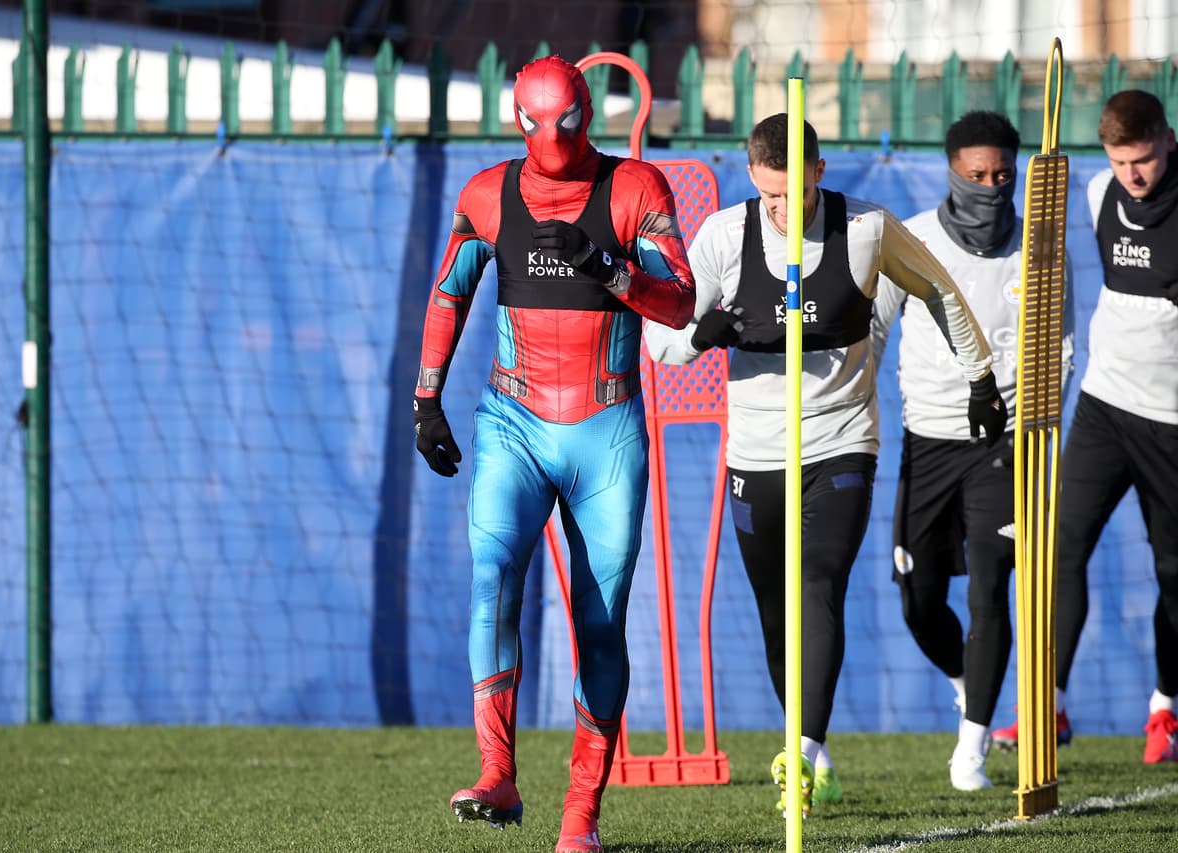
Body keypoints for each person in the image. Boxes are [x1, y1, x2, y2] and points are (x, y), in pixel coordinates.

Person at [644, 113, 1004, 814]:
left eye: (796, 192)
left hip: (842, 439)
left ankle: (802, 754)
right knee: (777, 615)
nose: (783, 208)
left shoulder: (866, 229)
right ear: (753, 179)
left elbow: (939, 290)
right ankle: (816, 748)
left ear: (819, 172)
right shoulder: (723, 236)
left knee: (820, 582)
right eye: (770, 195)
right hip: (755, 452)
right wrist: (700, 334)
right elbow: (662, 342)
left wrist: (981, 378)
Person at [412, 55, 696, 853]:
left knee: (599, 623)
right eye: (539, 125)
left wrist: (610, 269)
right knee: (492, 575)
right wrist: (426, 398)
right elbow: (449, 292)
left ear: (587, 115)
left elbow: (681, 303)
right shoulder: (487, 193)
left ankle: (580, 818)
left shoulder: (636, 187)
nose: (554, 139)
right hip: (514, 424)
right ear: (518, 120)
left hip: (605, 431)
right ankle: (496, 773)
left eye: (566, 123)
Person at [870, 111, 1074, 791]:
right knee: (918, 598)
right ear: (952, 171)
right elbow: (872, 333)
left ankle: (973, 749)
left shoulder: (1040, 248)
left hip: (1004, 445)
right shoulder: (913, 240)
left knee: (991, 587)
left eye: (1002, 175)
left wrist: (1035, 427)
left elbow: (1061, 347)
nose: (990, 187)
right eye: (976, 175)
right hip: (927, 440)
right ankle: (967, 683)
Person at [992, 89, 1178, 764]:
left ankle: (1164, 710)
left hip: (1173, 423)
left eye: (1144, 159)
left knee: (1173, 571)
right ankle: (1049, 705)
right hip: (1105, 406)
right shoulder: (1100, 192)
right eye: (1120, 160)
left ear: (1169, 141)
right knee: (1057, 547)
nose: (1133, 174)